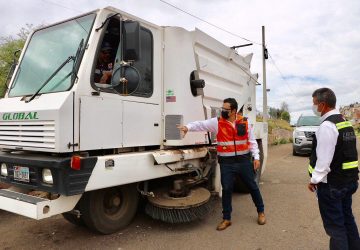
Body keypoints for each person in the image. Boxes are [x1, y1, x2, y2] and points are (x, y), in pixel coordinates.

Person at [178, 98, 265, 231]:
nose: (223, 111)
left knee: (252, 186)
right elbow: (202, 124)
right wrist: (187, 127)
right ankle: (227, 219)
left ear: (234, 111)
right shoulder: (217, 122)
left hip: (243, 161)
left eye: (226, 109)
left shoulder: (245, 122)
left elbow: (252, 141)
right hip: (227, 164)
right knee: (227, 189)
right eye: (222, 108)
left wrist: (257, 157)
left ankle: (261, 212)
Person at [308, 87, 360, 250]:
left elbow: (323, 162)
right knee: (347, 220)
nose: (314, 107)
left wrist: (314, 180)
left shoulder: (327, 126)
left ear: (322, 105)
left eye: (314, 103)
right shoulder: (345, 123)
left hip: (332, 186)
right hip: (348, 182)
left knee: (336, 229)